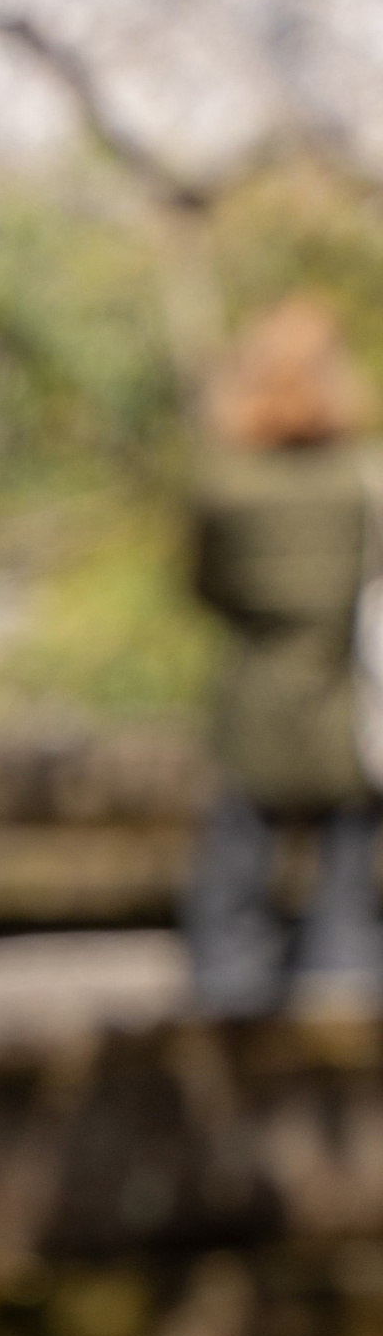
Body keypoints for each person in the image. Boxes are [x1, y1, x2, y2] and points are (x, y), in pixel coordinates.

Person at [186, 295, 383, 1016]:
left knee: (231, 907)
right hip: (344, 715)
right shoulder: (365, 483)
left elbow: (205, 587)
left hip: (253, 716)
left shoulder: (224, 486)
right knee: (347, 907)